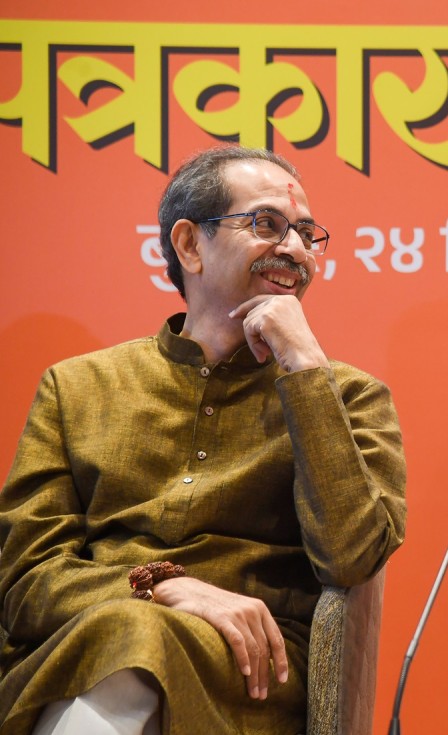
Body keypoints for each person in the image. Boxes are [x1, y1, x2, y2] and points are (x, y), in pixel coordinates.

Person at [0, 146, 407, 735]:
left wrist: (304, 370)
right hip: (79, 644)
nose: (295, 250)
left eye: (307, 234)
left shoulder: (350, 396)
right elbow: (25, 583)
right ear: (190, 244)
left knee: (133, 638)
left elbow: (354, 560)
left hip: (248, 675)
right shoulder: (78, 388)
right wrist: (163, 588)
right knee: (128, 632)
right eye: (268, 224)